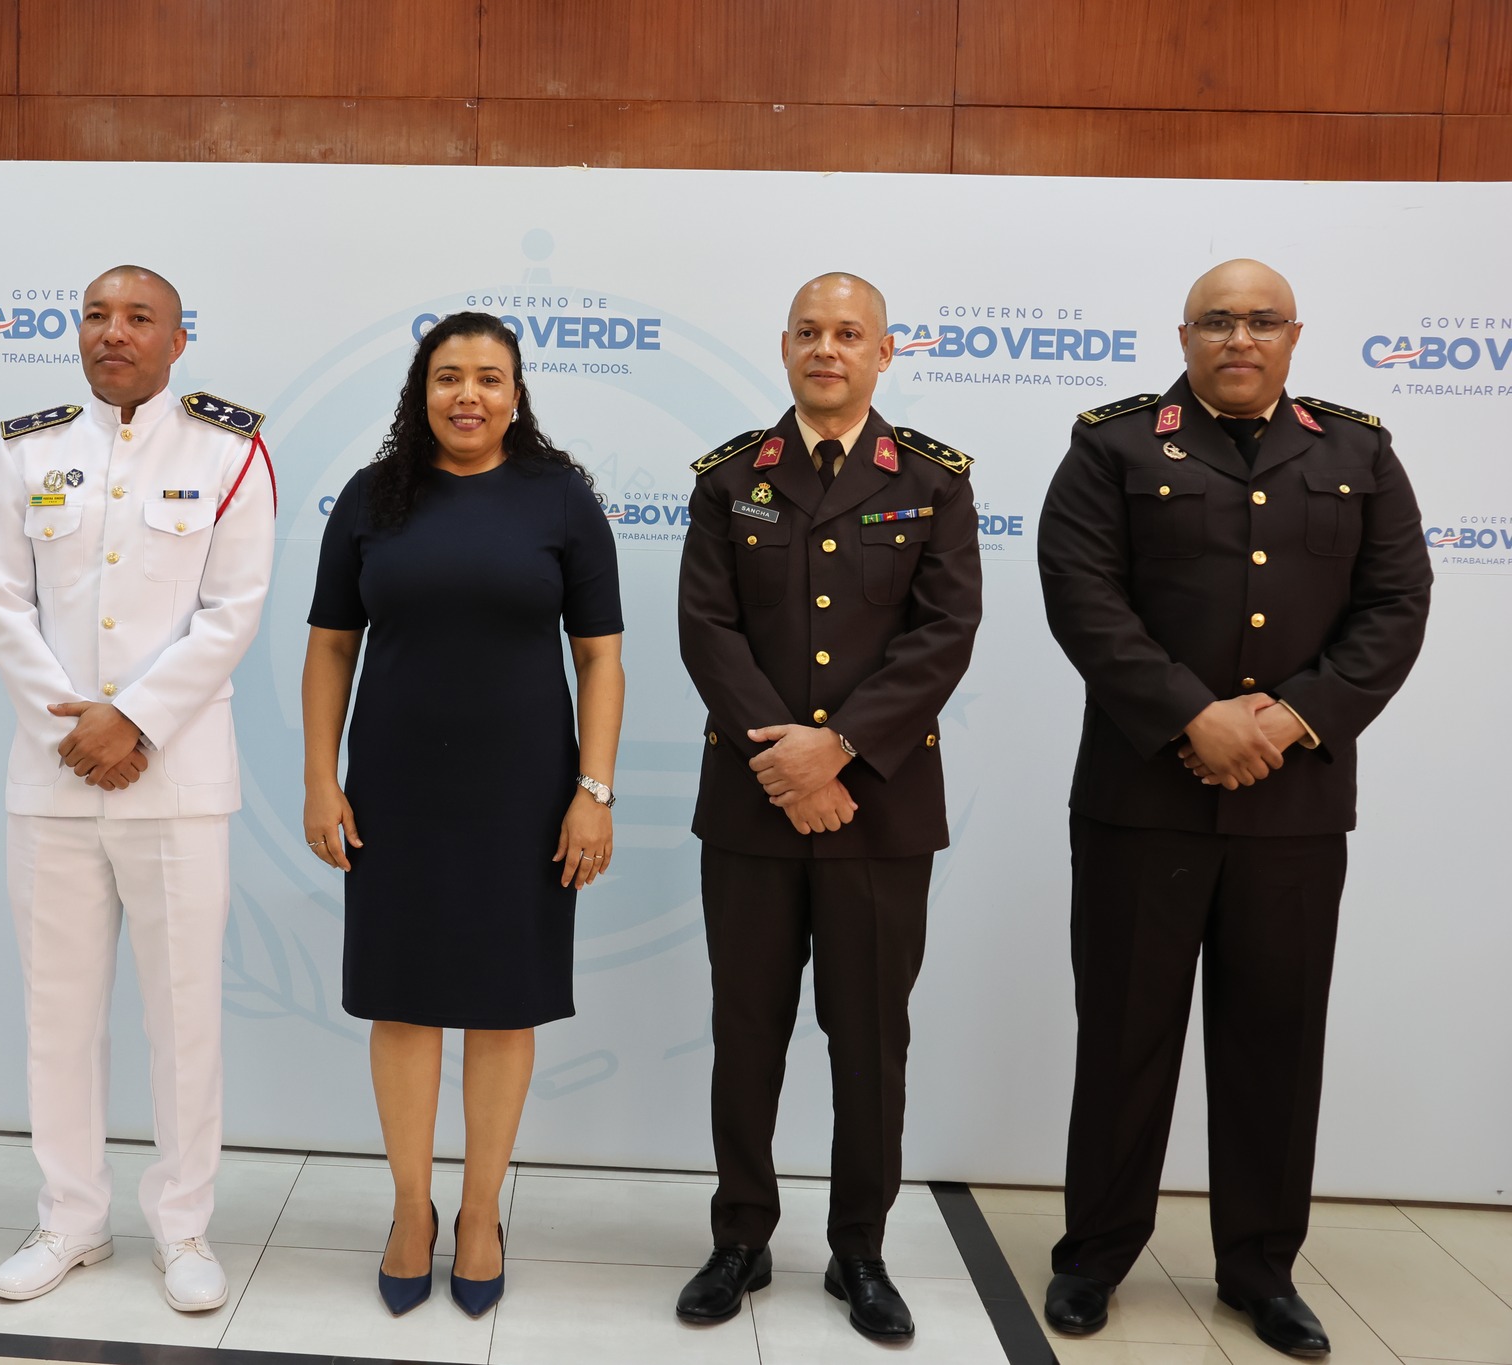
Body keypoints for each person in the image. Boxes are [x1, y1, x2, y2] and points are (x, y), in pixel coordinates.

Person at [1037, 259, 1431, 1357]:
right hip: (1140, 802)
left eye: (1261, 321)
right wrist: (1191, 718)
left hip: (1294, 809)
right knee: (1124, 1039)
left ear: (1294, 336)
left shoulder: (1356, 452)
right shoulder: (1113, 446)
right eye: (1217, 320)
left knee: (1274, 1046)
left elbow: (1396, 604)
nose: (1239, 338)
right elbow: (1082, 595)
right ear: (1184, 335)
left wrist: (1291, 718)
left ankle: (1259, 1271)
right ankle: (1092, 1257)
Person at [673, 273, 981, 1340]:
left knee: (870, 1043)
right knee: (746, 1032)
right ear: (784, 346)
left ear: (883, 352)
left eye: (850, 333)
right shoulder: (730, 479)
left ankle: (860, 1251)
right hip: (752, 809)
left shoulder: (932, 481)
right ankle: (739, 1238)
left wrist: (837, 752)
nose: (827, 348)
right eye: (809, 331)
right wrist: (788, 763)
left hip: (879, 812)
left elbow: (943, 633)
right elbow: (707, 629)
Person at [301, 311, 624, 1318]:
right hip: (394, 790)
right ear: (422, 391)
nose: (468, 395)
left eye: (489, 377)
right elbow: (330, 646)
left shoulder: (560, 498)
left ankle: (480, 1212)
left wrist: (593, 791)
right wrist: (319, 778)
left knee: (501, 1002)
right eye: (448, 377)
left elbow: (600, 658)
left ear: (517, 395)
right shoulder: (373, 496)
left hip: (525, 791)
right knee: (400, 1000)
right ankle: (412, 1209)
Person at [0, 264, 274, 1311]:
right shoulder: (27, 450)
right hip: (52, 776)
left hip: (176, 780)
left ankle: (182, 1227)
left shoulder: (228, 450)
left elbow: (233, 610)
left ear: (177, 340)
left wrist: (133, 721)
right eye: (97, 316)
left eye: (139, 318)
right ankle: (71, 1218)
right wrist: (79, 729)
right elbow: (1, 602)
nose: (114, 333)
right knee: (57, 1013)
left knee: (184, 1016)